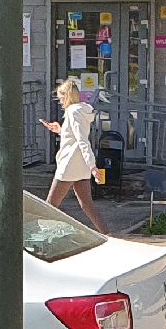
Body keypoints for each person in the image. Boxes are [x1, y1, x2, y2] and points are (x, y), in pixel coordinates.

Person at [42, 79, 107, 230]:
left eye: (60, 97)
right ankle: (109, 235)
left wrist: (93, 166)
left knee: (50, 205)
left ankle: (42, 237)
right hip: (81, 165)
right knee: (87, 204)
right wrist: (59, 130)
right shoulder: (81, 111)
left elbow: (82, 140)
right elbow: (76, 135)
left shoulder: (72, 112)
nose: (60, 101)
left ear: (67, 96)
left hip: (69, 164)